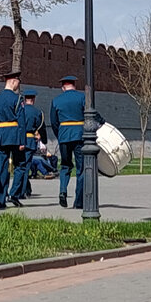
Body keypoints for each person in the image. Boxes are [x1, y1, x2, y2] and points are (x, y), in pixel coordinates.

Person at [49, 74, 106, 209]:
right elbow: (92, 112)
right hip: (80, 135)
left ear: (63, 87)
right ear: (74, 85)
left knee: (65, 166)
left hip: (64, 136)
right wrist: (102, 121)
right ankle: (78, 201)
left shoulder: (56, 100)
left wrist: (60, 135)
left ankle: (63, 191)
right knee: (81, 169)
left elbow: (53, 122)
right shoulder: (82, 97)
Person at [0, 68, 25, 209]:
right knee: (20, 165)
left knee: (1, 168)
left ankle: (1, 199)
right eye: (18, 82)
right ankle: (14, 194)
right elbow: (21, 121)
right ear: (13, 82)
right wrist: (22, 141)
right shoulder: (17, 99)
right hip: (14, 136)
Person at [16, 88, 46, 199]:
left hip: (19, 140)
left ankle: (18, 189)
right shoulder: (37, 112)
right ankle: (22, 191)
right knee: (26, 167)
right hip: (30, 140)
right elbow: (39, 126)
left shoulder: (20, 110)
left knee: (19, 166)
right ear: (33, 99)